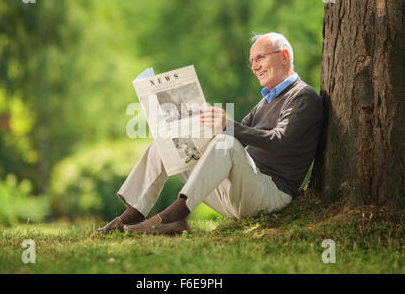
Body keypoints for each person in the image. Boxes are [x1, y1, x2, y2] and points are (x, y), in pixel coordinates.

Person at [96, 32, 323, 235]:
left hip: (271, 194)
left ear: (284, 56)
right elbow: (233, 137)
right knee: (168, 142)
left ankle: (172, 218)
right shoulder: (266, 101)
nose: (255, 66)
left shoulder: (303, 96)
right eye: (252, 61)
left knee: (226, 141)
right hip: (238, 194)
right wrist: (192, 124)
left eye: (261, 58)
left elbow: (278, 142)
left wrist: (226, 126)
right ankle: (132, 215)